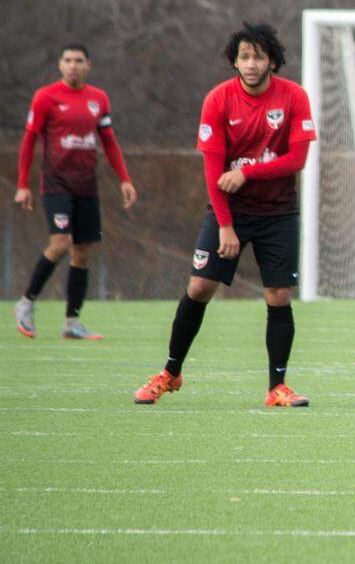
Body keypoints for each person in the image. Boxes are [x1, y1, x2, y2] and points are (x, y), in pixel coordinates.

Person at [133, 22, 317, 408]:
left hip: (278, 213)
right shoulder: (218, 100)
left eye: (258, 56)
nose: (251, 64)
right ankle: (170, 373)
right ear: (235, 61)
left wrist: (247, 172)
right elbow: (213, 172)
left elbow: (297, 159)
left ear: (273, 61)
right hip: (228, 211)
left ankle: (277, 388)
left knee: (278, 295)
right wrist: (226, 226)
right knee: (200, 288)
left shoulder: (295, 98)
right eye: (244, 56)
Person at [13, 44, 137, 340]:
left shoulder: (98, 99)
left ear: (88, 65)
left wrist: (125, 179)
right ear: (59, 64)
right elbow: (29, 141)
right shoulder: (46, 97)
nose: (73, 66)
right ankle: (26, 303)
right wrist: (22, 185)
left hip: (86, 185)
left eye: (78, 61)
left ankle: (72, 322)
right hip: (56, 183)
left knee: (81, 252)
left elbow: (109, 141)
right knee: (59, 243)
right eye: (67, 60)